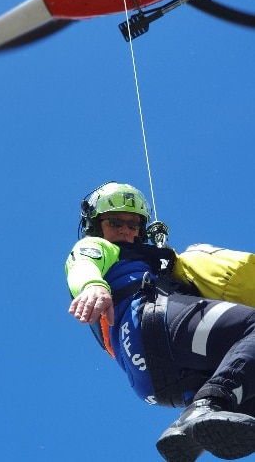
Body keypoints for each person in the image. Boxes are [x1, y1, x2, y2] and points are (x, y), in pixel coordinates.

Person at [66, 182, 255, 461]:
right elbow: (82, 262)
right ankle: (209, 401)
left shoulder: (153, 261)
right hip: (151, 322)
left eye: (134, 225)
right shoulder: (98, 247)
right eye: (115, 221)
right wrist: (94, 286)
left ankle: (187, 429)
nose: (125, 230)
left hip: (152, 380)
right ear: (96, 225)